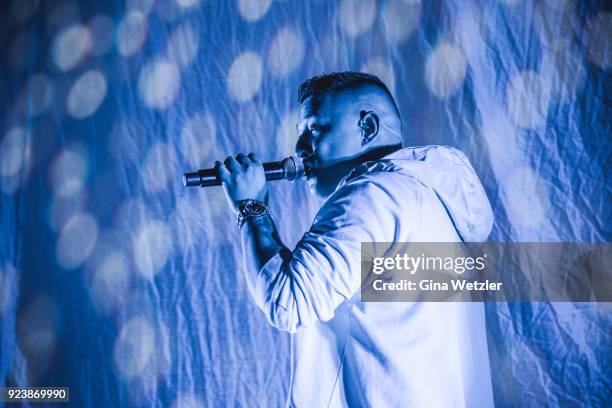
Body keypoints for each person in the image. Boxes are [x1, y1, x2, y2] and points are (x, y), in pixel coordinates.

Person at [215, 72, 495, 407]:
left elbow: (286, 301)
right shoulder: (433, 203)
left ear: (367, 128)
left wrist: (251, 207)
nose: (299, 147)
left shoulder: (373, 194)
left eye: (314, 128)